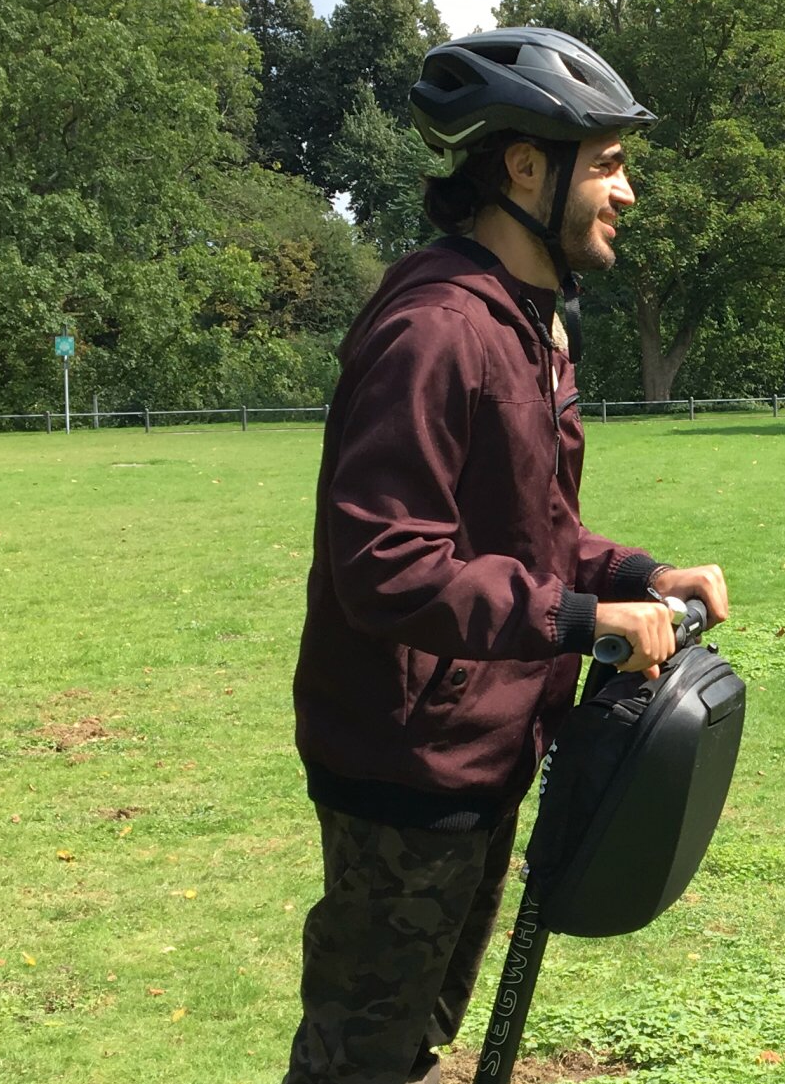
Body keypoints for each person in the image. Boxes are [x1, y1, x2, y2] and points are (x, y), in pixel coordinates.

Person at [286, 28, 728, 1084]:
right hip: (407, 761)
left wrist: (634, 577)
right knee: (362, 1058)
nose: (627, 193)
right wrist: (581, 622)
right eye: (610, 162)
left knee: (413, 1037)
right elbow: (389, 562)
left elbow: (526, 534)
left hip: (483, 748)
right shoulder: (437, 328)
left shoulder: (525, 325)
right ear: (528, 165)